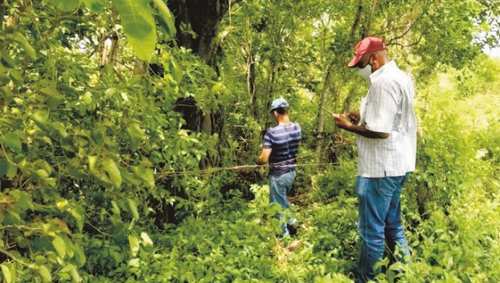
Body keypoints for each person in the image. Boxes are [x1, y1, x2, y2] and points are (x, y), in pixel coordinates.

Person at [333, 37, 417, 282]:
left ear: (374, 59)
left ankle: (367, 279)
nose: (360, 70)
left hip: (379, 170)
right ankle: (405, 273)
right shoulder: (401, 78)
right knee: (393, 225)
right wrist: (360, 117)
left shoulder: (383, 83)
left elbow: (381, 131)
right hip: (398, 165)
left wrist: (347, 126)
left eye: (361, 64)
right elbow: (392, 118)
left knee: (371, 232)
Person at [257, 98, 302, 237]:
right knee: (282, 200)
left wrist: (258, 161)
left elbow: (264, 158)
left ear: (276, 113)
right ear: (287, 110)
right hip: (291, 172)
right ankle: (292, 223)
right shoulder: (297, 128)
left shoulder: (272, 133)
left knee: (276, 206)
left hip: (278, 175)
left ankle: (284, 236)